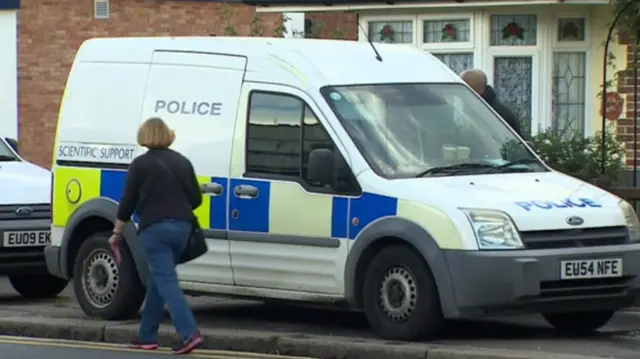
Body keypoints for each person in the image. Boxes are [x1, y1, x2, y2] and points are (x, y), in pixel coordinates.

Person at [108, 117, 204, 355]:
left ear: (144, 136)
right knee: (157, 281)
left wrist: (117, 231)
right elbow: (196, 199)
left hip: (155, 230)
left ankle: (189, 333)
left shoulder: (140, 165)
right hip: (182, 229)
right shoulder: (182, 162)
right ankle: (147, 336)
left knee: (166, 281)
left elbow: (128, 201)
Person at [459, 68, 524, 138]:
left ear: (471, 88)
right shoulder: (477, 105)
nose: (459, 91)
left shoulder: (494, 113)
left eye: (461, 86)